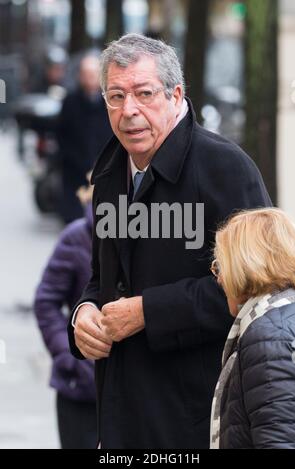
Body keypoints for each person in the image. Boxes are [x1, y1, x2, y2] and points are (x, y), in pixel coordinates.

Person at [68, 33, 271, 449]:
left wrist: (148, 312)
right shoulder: (108, 170)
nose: (129, 111)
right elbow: (101, 277)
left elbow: (260, 293)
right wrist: (83, 314)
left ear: (176, 95)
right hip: (120, 414)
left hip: (201, 418)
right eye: (116, 96)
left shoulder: (225, 167)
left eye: (144, 93)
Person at [210, 208, 295, 449]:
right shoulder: (289, 319)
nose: (218, 278)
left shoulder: (268, 337)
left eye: (220, 266)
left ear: (244, 264)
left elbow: (280, 442)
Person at [34, 181, 97, 449]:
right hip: (80, 389)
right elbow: (46, 302)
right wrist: (68, 353)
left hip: (135, 392)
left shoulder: (152, 234)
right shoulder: (77, 237)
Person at [57, 55, 113, 223]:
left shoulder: (109, 102)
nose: (90, 79)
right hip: (75, 170)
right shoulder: (70, 101)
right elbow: (62, 135)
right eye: (86, 74)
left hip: (103, 169)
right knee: (74, 220)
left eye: (94, 74)